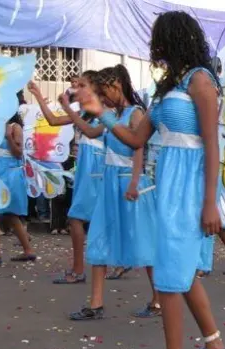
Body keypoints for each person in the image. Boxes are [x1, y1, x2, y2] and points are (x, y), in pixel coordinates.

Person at [75, 12, 225, 349]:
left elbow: (212, 144)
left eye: (159, 39)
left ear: (175, 39)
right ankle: (214, 344)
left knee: (169, 276)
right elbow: (133, 139)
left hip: (190, 187)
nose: (154, 47)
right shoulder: (168, 88)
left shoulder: (200, 81)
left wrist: (209, 203)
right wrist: (101, 112)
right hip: (167, 186)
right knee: (180, 271)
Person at [67, 65, 159, 320]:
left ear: (117, 85)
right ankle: (95, 303)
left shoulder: (135, 113)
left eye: (104, 92)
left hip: (129, 183)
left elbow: (138, 147)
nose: (103, 98)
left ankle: (158, 298)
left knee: (143, 239)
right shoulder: (109, 115)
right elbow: (90, 131)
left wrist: (133, 183)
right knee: (99, 238)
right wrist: (69, 108)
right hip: (108, 184)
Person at [28, 74, 105, 284]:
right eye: (75, 85)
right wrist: (38, 96)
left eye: (81, 85)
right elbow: (53, 120)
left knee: (77, 217)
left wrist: (67, 106)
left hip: (95, 167)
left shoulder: (103, 112)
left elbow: (91, 133)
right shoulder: (85, 112)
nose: (75, 88)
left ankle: (79, 270)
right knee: (83, 218)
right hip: (84, 166)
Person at [0, 113, 36, 267]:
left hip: (9, 173)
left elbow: (18, 153)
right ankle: (28, 250)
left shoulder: (14, 127)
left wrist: (8, 137)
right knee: (9, 215)